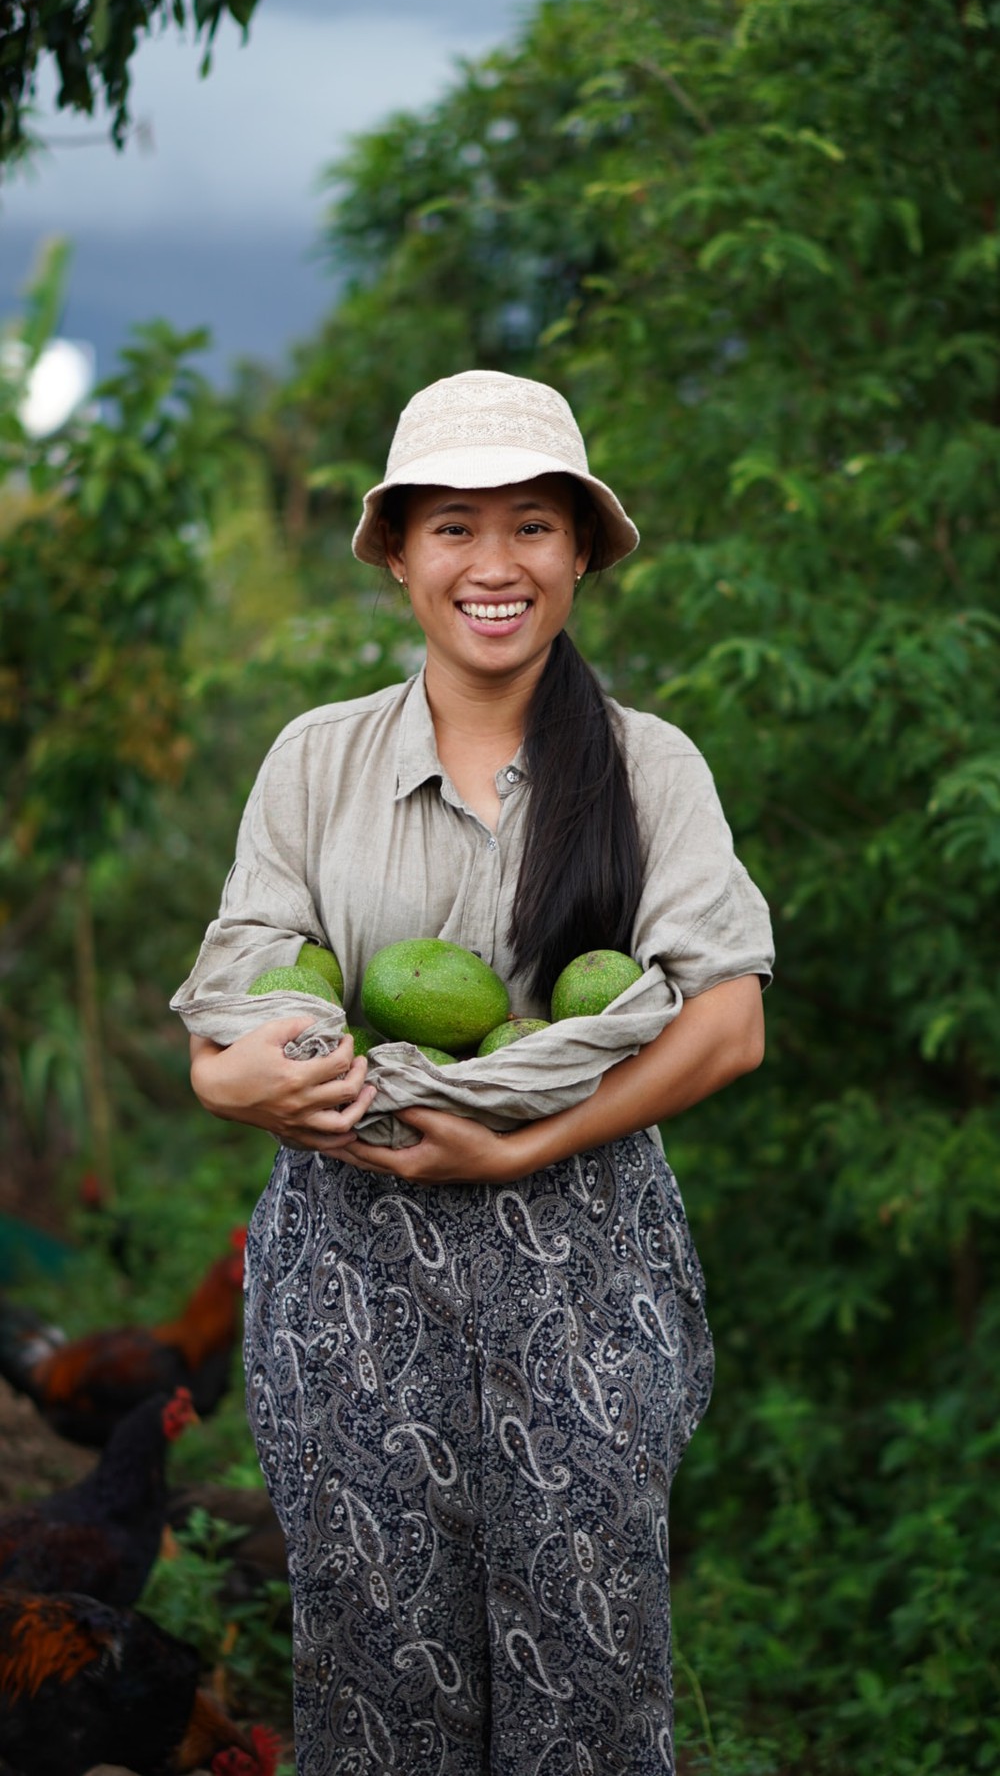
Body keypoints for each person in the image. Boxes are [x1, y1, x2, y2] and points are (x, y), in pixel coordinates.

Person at [176, 369, 774, 1776]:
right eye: (453, 527)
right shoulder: (315, 762)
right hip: (350, 1280)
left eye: (531, 528)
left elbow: (730, 1019)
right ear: (396, 553)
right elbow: (237, 1004)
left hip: (583, 1274)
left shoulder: (646, 767)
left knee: (592, 1686)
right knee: (376, 1686)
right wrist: (225, 1087)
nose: (493, 566)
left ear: (578, 554)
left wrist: (517, 1147)